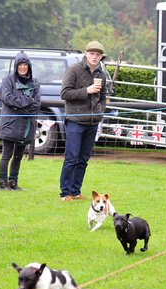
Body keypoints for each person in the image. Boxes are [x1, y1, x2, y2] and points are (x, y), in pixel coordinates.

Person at [59, 41, 107, 201]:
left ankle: (75, 190)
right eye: (92, 53)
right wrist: (86, 91)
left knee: (83, 159)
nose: (95, 57)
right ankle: (65, 193)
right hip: (75, 120)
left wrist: (100, 112)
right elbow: (64, 93)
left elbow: (103, 96)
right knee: (71, 157)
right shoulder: (73, 69)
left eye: (98, 54)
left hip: (93, 122)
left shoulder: (102, 73)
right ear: (86, 54)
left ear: (101, 57)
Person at [0, 52, 41, 191]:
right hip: (10, 124)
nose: (23, 67)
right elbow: (7, 99)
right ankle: (2, 183)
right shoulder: (7, 80)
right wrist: (28, 101)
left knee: (18, 155)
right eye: (20, 64)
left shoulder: (34, 83)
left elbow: (37, 104)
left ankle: (13, 183)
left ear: (29, 66)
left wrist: (18, 107)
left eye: (25, 64)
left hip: (26, 125)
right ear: (16, 66)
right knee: (7, 154)